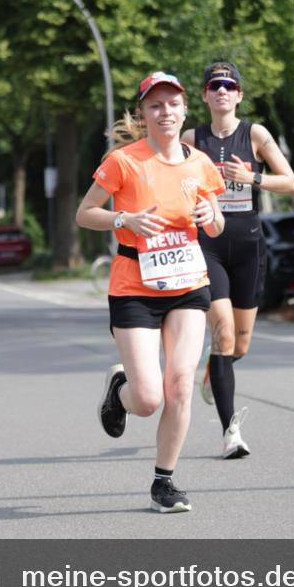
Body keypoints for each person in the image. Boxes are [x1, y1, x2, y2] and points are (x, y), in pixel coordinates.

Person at [76, 71, 226, 513]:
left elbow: (217, 224)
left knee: (179, 385)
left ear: (185, 110)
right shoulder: (123, 161)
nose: (166, 112)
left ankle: (165, 482)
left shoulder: (201, 164)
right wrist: (125, 220)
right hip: (134, 286)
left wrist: (210, 215)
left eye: (173, 104)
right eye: (156, 105)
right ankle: (120, 391)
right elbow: (85, 213)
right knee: (147, 399)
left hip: (188, 284)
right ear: (143, 113)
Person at [182, 61, 294, 458]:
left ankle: (214, 370)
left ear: (239, 95)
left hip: (248, 245)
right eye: (215, 85)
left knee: (241, 345)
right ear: (204, 95)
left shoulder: (255, 134)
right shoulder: (192, 138)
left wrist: (252, 178)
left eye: (229, 85)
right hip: (208, 246)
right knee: (224, 335)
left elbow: (291, 182)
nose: (222, 91)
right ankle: (230, 434)